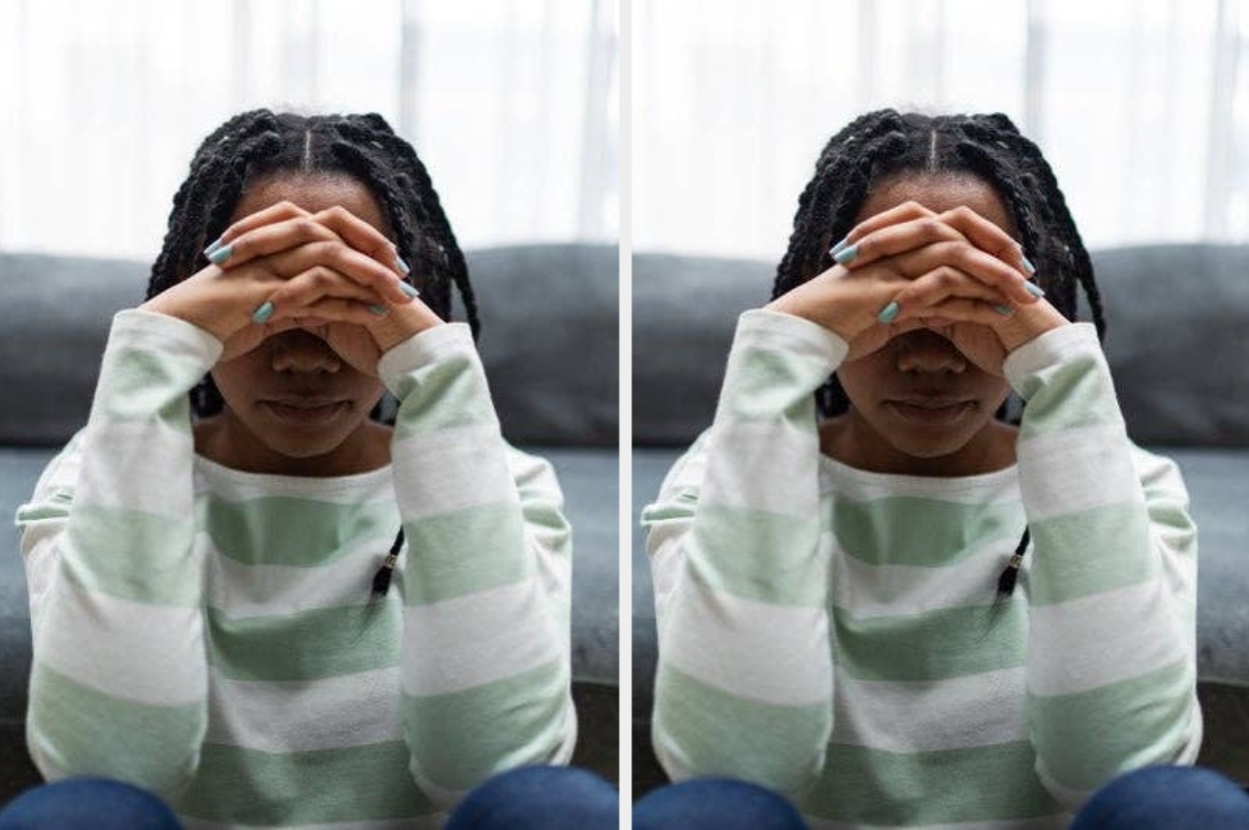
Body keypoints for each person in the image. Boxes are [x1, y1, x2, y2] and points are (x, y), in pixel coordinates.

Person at [639, 109, 1237, 828]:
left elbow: (1119, 770)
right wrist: (777, 358)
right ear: (823, 293)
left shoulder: (1131, 483)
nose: (929, 357)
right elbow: (736, 772)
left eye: (971, 296)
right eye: (889, 297)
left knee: (1182, 805)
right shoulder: (723, 473)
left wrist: (1064, 375)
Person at [7, 109, 576, 828]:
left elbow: (493, 771)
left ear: (414, 296)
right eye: (265, 295)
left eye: (347, 294)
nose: (305, 356)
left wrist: (439, 374)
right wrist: (152, 355)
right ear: (200, 294)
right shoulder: (99, 473)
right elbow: (112, 772)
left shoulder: (507, 483)